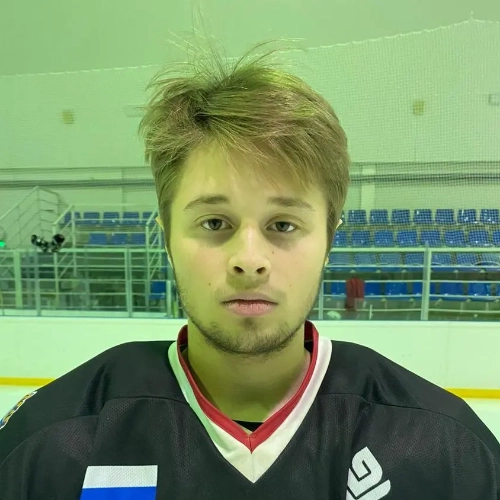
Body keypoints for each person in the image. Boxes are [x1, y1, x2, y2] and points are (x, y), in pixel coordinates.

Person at [1, 41, 499, 500]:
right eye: (214, 223)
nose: (249, 258)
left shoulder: (448, 452)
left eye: (283, 225)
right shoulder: (48, 444)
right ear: (166, 238)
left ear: (330, 239)